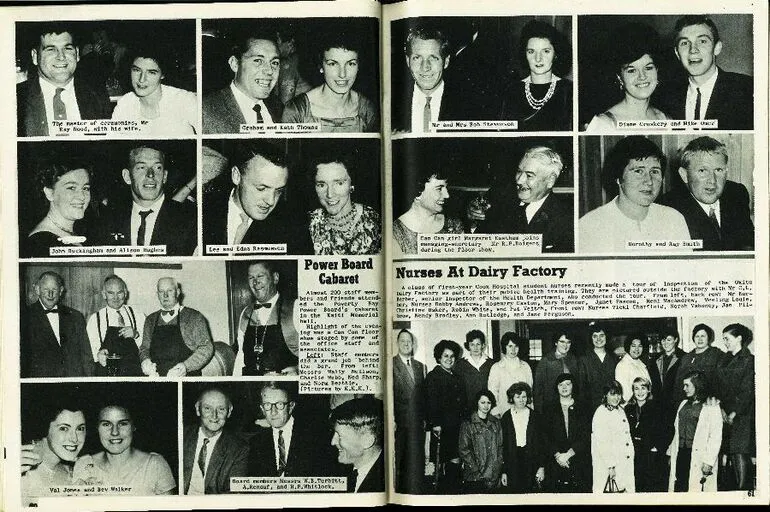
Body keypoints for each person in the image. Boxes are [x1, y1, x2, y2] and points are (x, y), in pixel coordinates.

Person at [578, 136, 691, 252]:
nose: (649, 181)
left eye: (654, 171)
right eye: (638, 171)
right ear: (618, 177)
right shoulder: (590, 226)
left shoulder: (674, 219)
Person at [202, 141, 312, 255]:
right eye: (261, 188)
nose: (271, 201)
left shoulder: (292, 228)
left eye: (279, 191)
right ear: (236, 176)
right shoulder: (202, 210)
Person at [660, 136, 754, 251]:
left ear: (726, 172)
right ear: (684, 175)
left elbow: (748, 242)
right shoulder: (669, 207)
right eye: (702, 171)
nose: (712, 180)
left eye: (718, 170)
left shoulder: (736, 193)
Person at [99, 146, 197, 256]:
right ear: (127, 176)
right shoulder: (109, 219)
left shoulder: (191, 219)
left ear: (164, 176)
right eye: (141, 167)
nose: (150, 175)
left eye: (157, 168)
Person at [17, 23, 110, 136]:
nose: (61, 57)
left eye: (67, 48)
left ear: (77, 54)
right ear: (35, 56)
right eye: (51, 49)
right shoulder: (16, 98)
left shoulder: (98, 95)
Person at [477, 146, 574, 252]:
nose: (519, 180)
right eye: (519, 172)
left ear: (550, 180)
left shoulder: (566, 219)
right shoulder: (500, 203)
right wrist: (474, 221)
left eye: (529, 175)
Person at [663, 15, 752, 130]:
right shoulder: (666, 97)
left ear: (717, 48)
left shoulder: (747, 89)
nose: (693, 50)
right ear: (677, 53)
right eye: (684, 43)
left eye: (702, 41)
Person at [282, 34, 377, 133]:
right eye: (333, 64)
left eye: (351, 63)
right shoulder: (297, 111)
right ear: (321, 66)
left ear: (358, 67)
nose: (342, 74)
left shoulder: (367, 109)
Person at [585, 23, 669, 131]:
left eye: (648, 68)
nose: (642, 76)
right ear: (619, 77)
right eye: (632, 70)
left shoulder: (664, 119)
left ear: (657, 71)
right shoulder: (604, 124)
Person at [75, 405, 176, 494]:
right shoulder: (84, 464)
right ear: (97, 428)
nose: (115, 432)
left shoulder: (154, 465)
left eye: (122, 423)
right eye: (106, 424)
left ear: (133, 426)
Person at [202, 33, 283, 133]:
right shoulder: (205, 110)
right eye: (258, 61)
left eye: (274, 63)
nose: (269, 71)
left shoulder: (280, 107)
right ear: (235, 64)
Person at [500, 20, 572, 131]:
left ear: (556, 54)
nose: (538, 58)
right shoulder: (512, 90)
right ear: (525, 55)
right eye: (531, 51)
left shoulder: (568, 90)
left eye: (546, 51)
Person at [392, 26, 466, 133]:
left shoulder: (465, 104)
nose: (425, 67)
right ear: (408, 61)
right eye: (417, 58)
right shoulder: (391, 104)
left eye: (433, 58)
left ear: (446, 62)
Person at [111, 45, 197, 135]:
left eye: (151, 72)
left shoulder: (185, 100)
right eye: (136, 70)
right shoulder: (125, 103)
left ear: (162, 75)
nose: (141, 79)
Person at [248, 382, 328, 478]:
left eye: (280, 404)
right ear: (262, 409)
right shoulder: (256, 443)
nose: (273, 412)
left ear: (291, 407)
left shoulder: (315, 436)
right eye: (267, 405)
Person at [21, 271, 93, 378]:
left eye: (54, 290)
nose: (50, 294)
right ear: (37, 289)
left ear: (61, 291)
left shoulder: (75, 317)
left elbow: (86, 356)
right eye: (46, 289)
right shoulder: (23, 317)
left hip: (74, 385)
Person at [138, 277, 214, 377]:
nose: (165, 295)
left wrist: (186, 366)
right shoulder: (150, 320)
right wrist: (145, 361)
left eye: (170, 290)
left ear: (177, 292)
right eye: (161, 291)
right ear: (157, 294)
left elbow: (207, 347)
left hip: (185, 379)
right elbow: (144, 348)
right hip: (156, 379)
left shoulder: (194, 317)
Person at [233, 261, 299, 376]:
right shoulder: (246, 313)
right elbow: (240, 357)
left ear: (275, 278)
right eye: (251, 278)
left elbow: (317, 353)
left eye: (260, 276)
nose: (255, 282)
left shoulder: (295, 307)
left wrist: (298, 370)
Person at [308, 155, 381, 255]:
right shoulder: (309, 223)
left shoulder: (372, 219)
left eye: (339, 183)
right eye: (321, 185)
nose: (330, 194)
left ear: (351, 184)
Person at [23, 156, 92, 258]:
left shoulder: (74, 233)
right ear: (50, 193)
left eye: (85, 188)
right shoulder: (41, 243)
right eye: (71, 188)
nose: (82, 196)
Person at [183, 387, 248, 494]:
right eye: (207, 408)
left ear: (229, 411)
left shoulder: (239, 449)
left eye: (221, 409)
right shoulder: (183, 436)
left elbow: (234, 494)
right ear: (197, 409)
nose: (214, 416)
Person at [21, 403, 87, 506]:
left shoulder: (71, 470)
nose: (74, 439)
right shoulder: (21, 468)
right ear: (44, 427)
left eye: (80, 429)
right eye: (64, 428)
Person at [715, 324, 755, 490]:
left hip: (741, 414)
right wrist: (721, 408)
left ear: (739, 338)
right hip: (723, 412)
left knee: (739, 452)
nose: (724, 342)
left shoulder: (749, 360)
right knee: (727, 453)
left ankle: (744, 492)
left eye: (727, 338)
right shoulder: (724, 358)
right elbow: (717, 385)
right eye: (723, 338)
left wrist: (733, 413)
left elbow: (747, 390)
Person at [669, 371, 723, 492]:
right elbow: (676, 430)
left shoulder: (711, 405)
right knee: (680, 488)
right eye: (683, 385)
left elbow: (716, 436)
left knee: (696, 491)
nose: (684, 389)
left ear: (697, 384)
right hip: (681, 453)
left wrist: (709, 462)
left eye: (687, 385)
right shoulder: (683, 404)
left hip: (699, 456)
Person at [424, 339, 467, 490]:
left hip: (456, 426)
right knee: (439, 461)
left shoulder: (457, 377)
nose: (449, 359)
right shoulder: (433, 376)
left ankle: (453, 489)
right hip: (441, 428)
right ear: (439, 358)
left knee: (455, 458)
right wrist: (435, 424)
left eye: (452, 356)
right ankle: (441, 492)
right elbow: (430, 403)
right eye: (445, 356)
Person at [86, 275, 145, 377]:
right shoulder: (95, 319)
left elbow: (148, 347)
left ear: (125, 293)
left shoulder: (138, 315)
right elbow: (89, 350)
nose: (116, 297)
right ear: (104, 294)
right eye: (111, 293)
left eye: (119, 292)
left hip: (134, 372)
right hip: (107, 372)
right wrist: (98, 354)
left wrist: (136, 334)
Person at [393, 168, 463, 254]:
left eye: (446, 188)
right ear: (417, 193)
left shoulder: (454, 224)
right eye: (439, 189)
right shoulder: (395, 233)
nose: (447, 195)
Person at [541, 373, 591, 492]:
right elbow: (545, 435)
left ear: (573, 386)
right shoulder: (548, 407)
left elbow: (586, 434)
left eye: (568, 384)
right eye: (561, 384)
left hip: (578, 458)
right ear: (556, 387)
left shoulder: (583, 407)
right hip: (555, 460)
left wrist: (569, 454)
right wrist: (558, 455)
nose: (564, 387)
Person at [392, 329, 426, 494]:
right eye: (403, 341)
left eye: (409, 341)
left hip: (417, 423)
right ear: (397, 343)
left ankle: (417, 492)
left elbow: (423, 396)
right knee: (400, 459)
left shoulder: (420, 367)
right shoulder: (390, 364)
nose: (406, 344)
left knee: (417, 460)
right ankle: (399, 492)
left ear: (413, 344)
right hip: (399, 422)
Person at [330, 396, 385, 492]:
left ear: (367, 441)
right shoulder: (341, 471)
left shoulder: (383, 484)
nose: (333, 442)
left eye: (339, 436)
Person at [625, 377, 668, 492]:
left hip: (651, 457)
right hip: (634, 455)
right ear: (633, 391)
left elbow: (668, 430)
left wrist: (658, 447)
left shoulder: (657, 408)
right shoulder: (628, 409)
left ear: (649, 390)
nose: (640, 392)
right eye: (636, 389)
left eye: (643, 388)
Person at [591, 381, 635, 493]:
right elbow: (602, 442)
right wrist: (610, 466)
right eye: (612, 394)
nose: (616, 397)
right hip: (610, 465)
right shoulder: (601, 412)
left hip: (623, 462)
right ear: (605, 395)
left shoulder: (620, 410)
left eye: (618, 394)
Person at [500, 382, 544, 493]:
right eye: (518, 397)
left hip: (531, 460)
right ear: (512, 398)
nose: (521, 400)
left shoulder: (535, 416)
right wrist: (504, 471)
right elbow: (503, 446)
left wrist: (541, 466)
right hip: (512, 460)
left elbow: (541, 444)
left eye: (524, 396)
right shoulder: (506, 417)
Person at [458, 389, 503, 492]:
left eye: (489, 402)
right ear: (477, 403)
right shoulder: (468, 423)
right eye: (482, 402)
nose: (486, 406)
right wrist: (476, 471)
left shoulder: (496, 423)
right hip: (474, 476)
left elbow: (500, 446)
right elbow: (463, 450)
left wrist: (498, 467)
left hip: (493, 476)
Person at [672, 324, 721, 404]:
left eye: (703, 336)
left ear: (708, 337)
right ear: (693, 338)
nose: (700, 339)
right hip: (688, 403)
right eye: (697, 336)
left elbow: (720, 383)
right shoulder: (686, 358)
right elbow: (678, 384)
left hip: (708, 402)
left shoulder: (716, 355)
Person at [487, 332, 533, 417]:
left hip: (523, 411)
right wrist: (495, 412)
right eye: (510, 346)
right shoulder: (496, 367)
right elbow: (492, 392)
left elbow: (529, 391)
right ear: (505, 347)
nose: (513, 350)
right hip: (504, 412)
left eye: (516, 346)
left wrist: (531, 409)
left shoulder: (525, 366)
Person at [577, 322, 619, 411]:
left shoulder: (614, 358)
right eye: (595, 336)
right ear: (591, 338)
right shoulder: (584, 359)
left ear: (607, 337)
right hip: (591, 407)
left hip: (612, 405)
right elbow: (581, 388)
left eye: (601, 335)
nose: (598, 339)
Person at [533, 332, 577, 411]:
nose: (565, 345)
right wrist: (539, 411)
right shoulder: (545, 361)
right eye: (562, 342)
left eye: (568, 342)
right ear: (556, 343)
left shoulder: (574, 360)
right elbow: (538, 389)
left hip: (570, 405)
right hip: (551, 407)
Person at [454, 329, 494, 406]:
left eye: (478, 344)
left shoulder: (491, 363)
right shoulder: (460, 364)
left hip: (486, 406)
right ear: (468, 346)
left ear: (483, 345)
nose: (475, 348)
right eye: (472, 344)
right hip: (467, 407)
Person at [615, 333, 652, 403]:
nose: (637, 349)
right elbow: (624, 395)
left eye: (640, 346)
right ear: (628, 347)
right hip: (631, 408)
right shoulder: (622, 365)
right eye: (633, 346)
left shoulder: (641, 364)